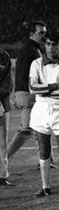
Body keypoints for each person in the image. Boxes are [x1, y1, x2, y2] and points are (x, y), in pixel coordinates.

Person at [29, 29, 59, 197]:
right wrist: (55, 86)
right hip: (40, 111)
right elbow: (32, 88)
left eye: (54, 44)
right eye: (48, 44)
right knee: (43, 151)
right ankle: (45, 187)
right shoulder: (36, 63)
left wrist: (44, 90)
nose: (51, 48)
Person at [5, 21, 48, 179]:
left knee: (40, 126)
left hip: (25, 93)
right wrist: (21, 94)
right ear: (32, 33)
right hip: (28, 94)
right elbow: (26, 74)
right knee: (27, 130)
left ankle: (44, 159)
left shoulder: (29, 49)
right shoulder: (31, 50)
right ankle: (4, 159)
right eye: (41, 32)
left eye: (44, 32)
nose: (44, 35)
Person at [0, 46, 12, 186]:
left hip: (1, 103)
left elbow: (7, 81)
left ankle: (2, 176)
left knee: (2, 141)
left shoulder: (3, 55)